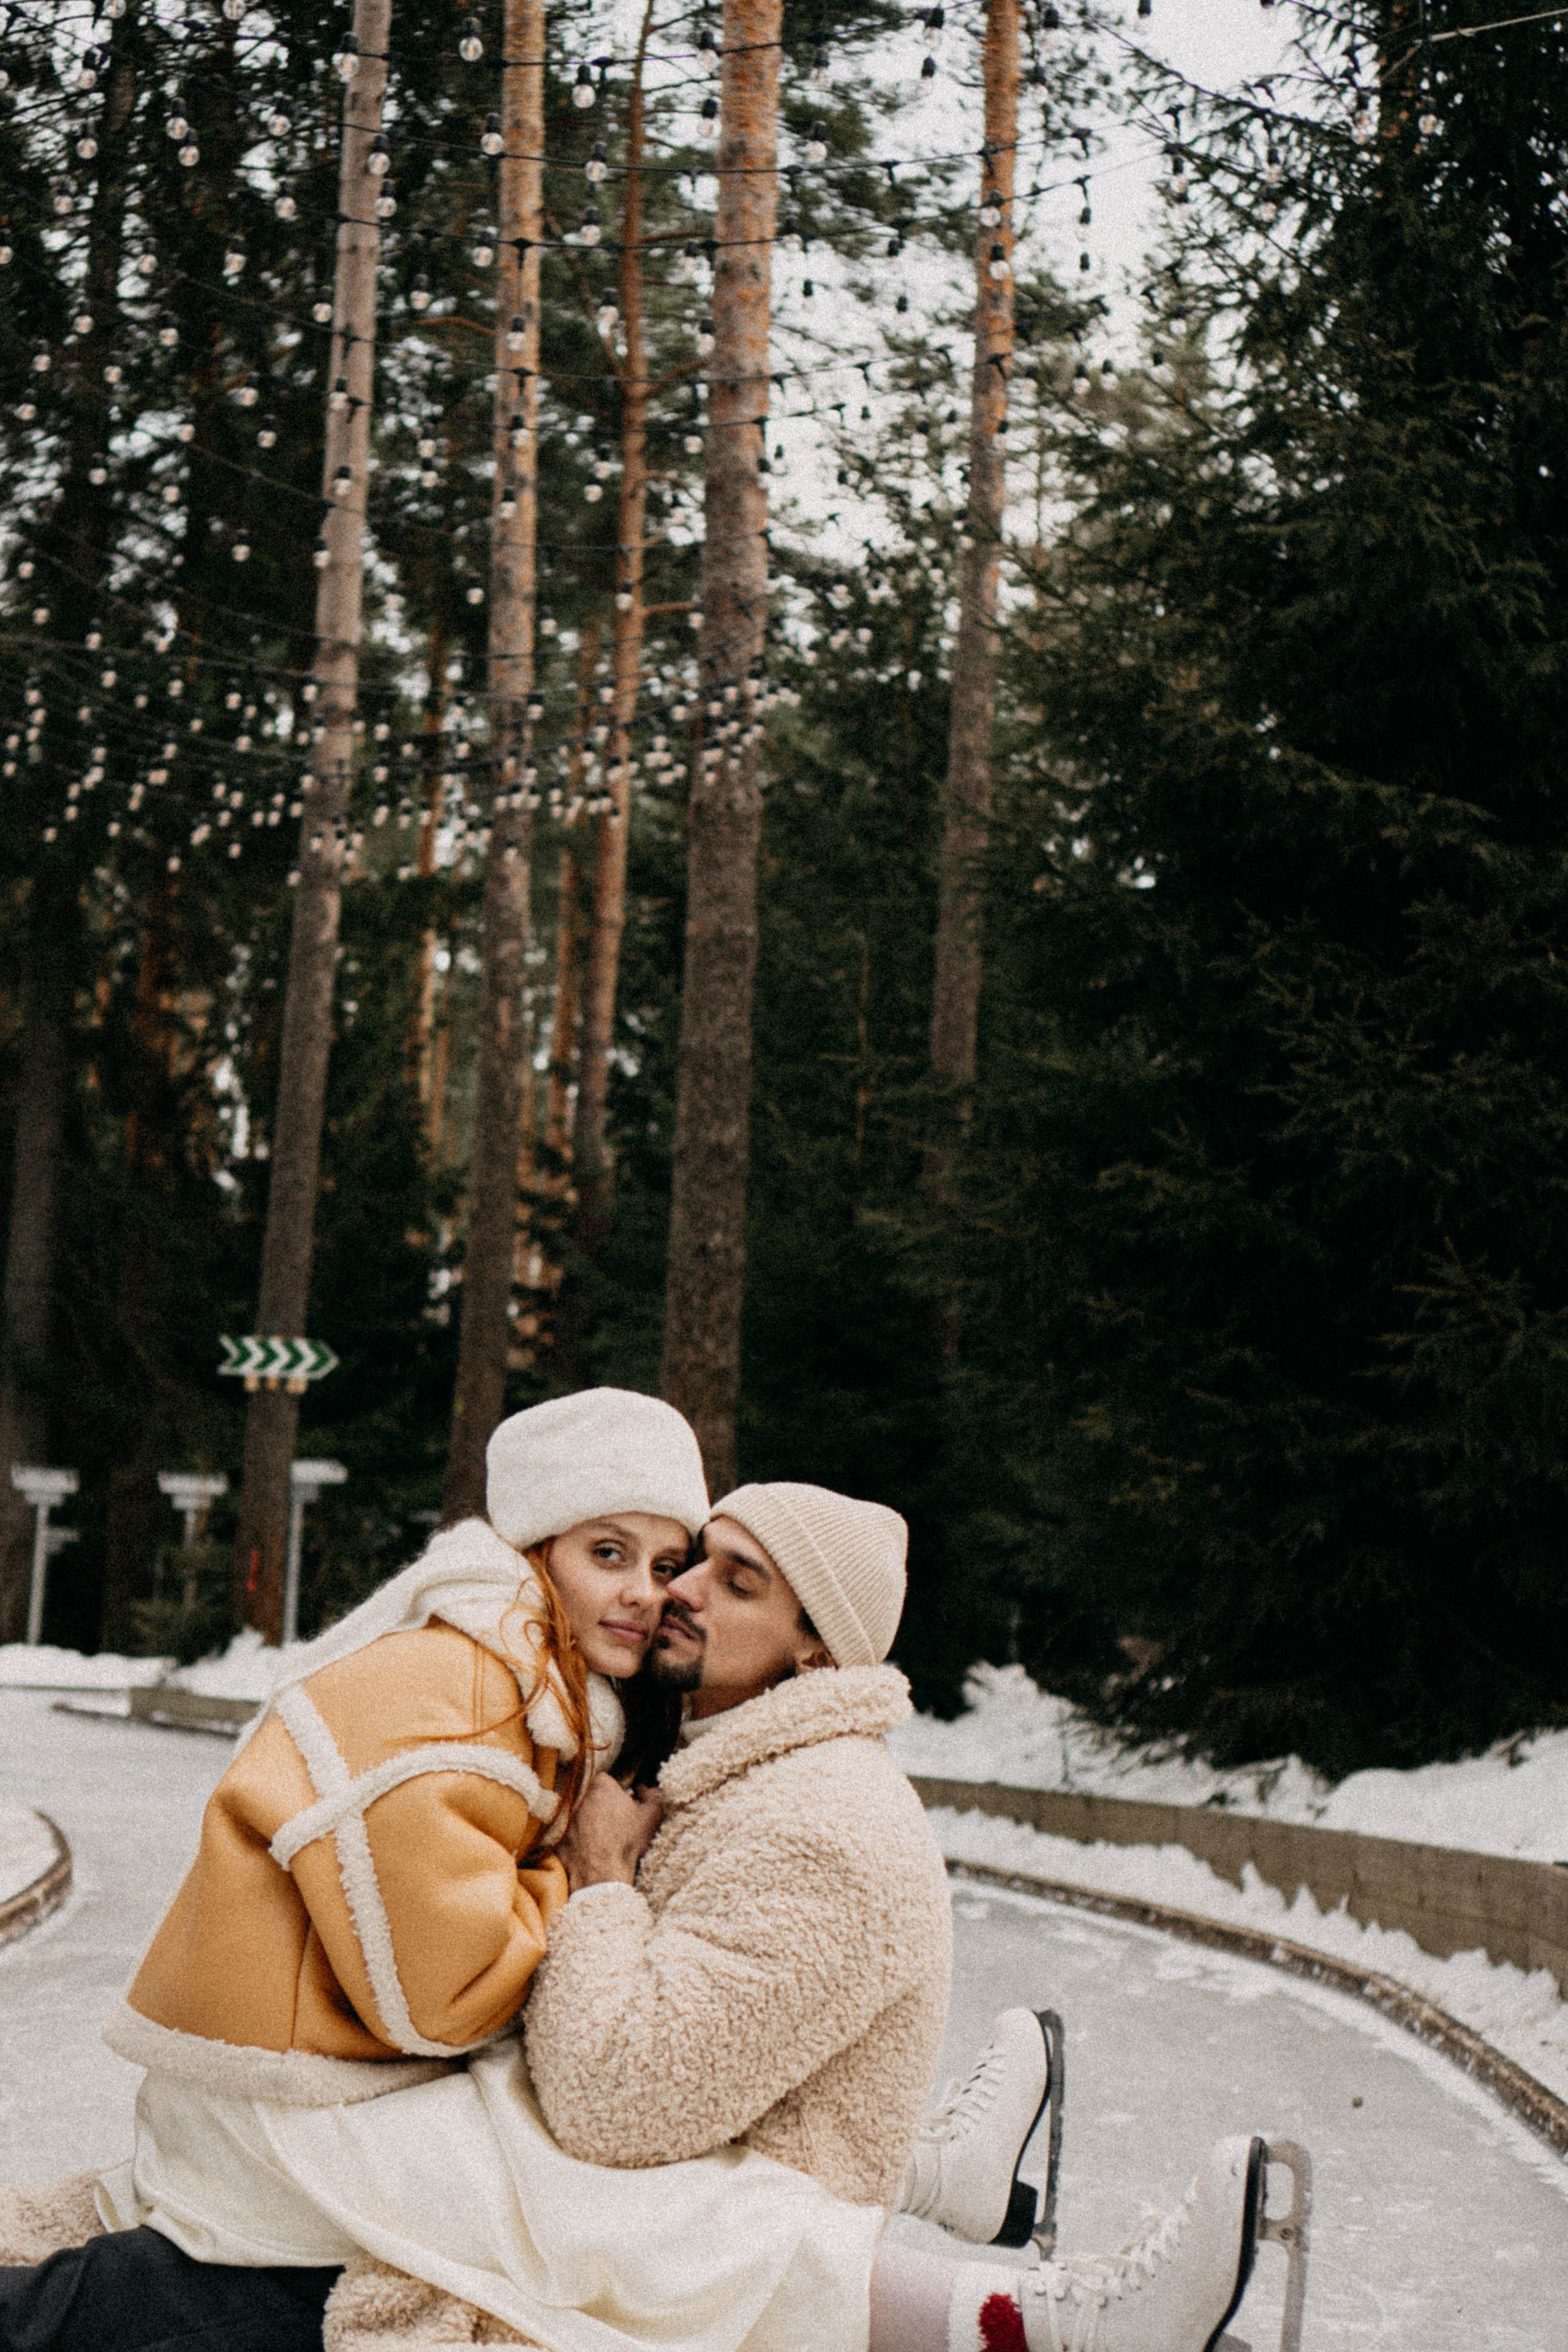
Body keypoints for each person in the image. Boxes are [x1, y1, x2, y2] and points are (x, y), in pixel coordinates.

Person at [1, 1474, 1272, 2352]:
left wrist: (602, 1885)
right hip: (578, 2214)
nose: (678, 1592)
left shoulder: (820, 1825)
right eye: (683, 1560)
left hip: (640, 2252)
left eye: (734, 1580)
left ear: (815, 1650)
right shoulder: (718, 1761)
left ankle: (1056, 2318)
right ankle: (978, 2220)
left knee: (167, 2269)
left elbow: (616, 2101)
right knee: (171, 2243)